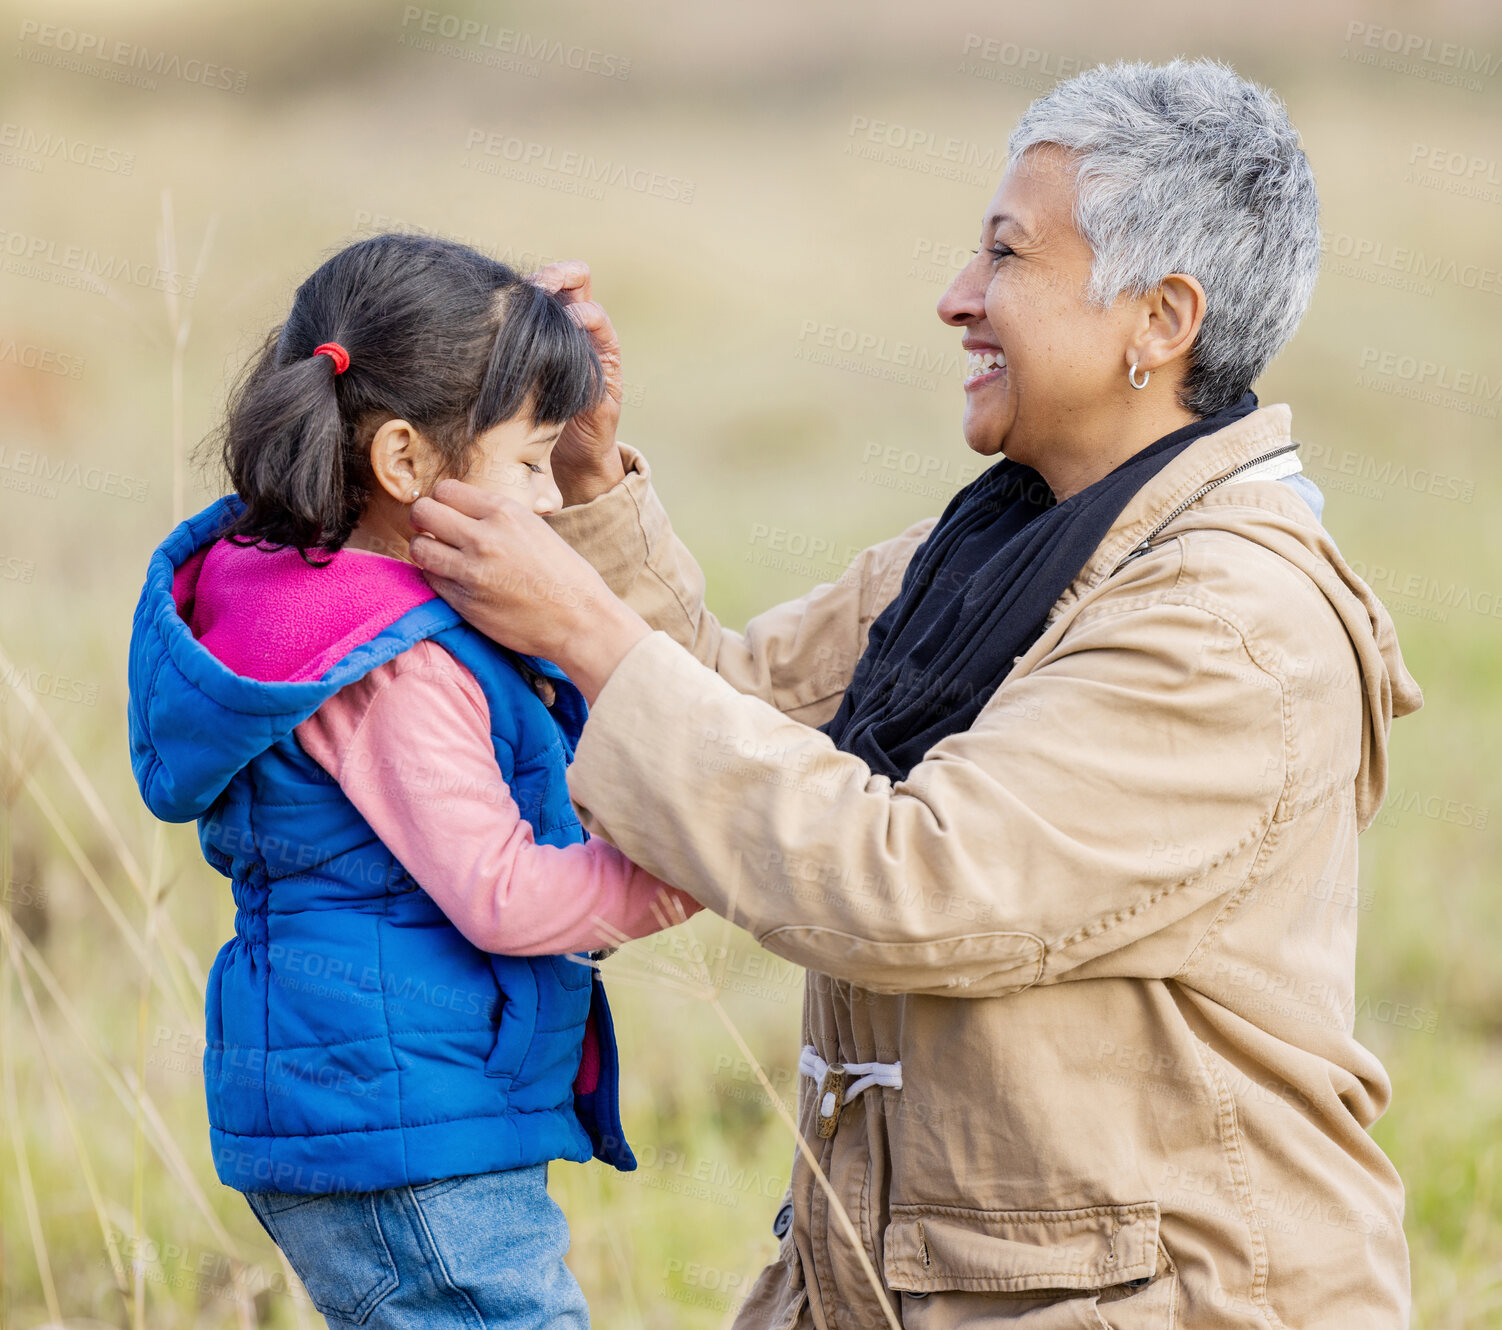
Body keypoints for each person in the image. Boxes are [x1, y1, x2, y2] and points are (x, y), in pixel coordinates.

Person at [407, 60, 1425, 1327]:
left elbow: (909, 880)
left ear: (1159, 320)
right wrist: (592, 480)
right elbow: (734, 717)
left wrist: (584, 627)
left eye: (1004, 255)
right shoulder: (1000, 548)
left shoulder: (1224, 627)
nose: (954, 299)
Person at [126, 232, 697, 1330]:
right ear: (401, 463)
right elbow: (504, 891)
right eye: (528, 463)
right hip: (403, 1132)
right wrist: (692, 865)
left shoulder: (309, 601)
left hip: (373, 1110)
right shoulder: (396, 664)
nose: (544, 498)